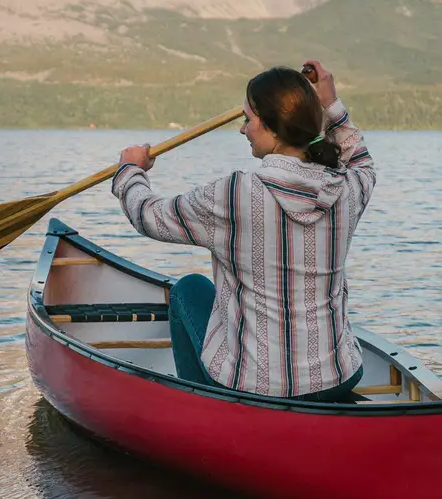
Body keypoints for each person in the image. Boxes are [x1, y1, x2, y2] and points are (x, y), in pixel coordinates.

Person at [113, 61, 376, 402]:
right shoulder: (349, 188)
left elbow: (149, 216)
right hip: (338, 377)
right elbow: (362, 161)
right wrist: (332, 104)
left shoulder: (234, 196)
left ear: (273, 129)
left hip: (256, 386)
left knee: (188, 289)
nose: (242, 130)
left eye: (248, 120)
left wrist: (130, 171)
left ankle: (205, 407)